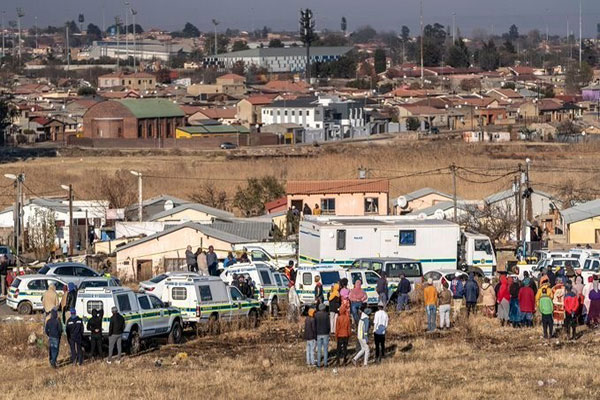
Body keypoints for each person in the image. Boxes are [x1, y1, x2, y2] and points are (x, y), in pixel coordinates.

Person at [335, 299, 351, 365]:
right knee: (345, 348)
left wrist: (336, 335)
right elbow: (349, 327)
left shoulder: (338, 318)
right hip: (346, 334)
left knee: (338, 348)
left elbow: (337, 328)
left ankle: (338, 360)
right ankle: (344, 360)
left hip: (340, 335)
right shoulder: (347, 318)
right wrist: (349, 334)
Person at [315, 303, 330, 368]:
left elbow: (315, 324)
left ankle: (318, 364)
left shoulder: (316, 315)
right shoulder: (326, 315)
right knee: (325, 349)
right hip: (325, 333)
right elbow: (328, 325)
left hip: (318, 333)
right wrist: (328, 332)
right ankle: (325, 363)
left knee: (319, 349)